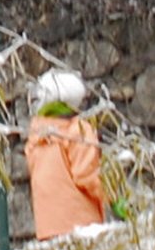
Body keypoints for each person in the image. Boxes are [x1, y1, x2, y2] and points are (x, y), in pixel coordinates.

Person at [28, 71, 109, 240]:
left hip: (47, 226)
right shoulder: (77, 129)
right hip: (80, 223)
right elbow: (86, 174)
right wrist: (113, 195)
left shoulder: (36, 135)